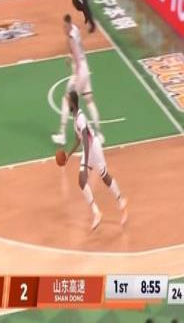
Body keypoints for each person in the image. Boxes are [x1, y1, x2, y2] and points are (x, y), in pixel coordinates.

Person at [64, 90, 128, 230]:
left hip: (94, 147)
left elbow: (86, 139)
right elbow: (78, 140)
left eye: (67, 100)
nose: (66, 102)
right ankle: (96, 212)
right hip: (88, 149)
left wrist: (86, 160)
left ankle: (121, 201)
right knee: (81, 181)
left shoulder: (80, 118)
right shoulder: (75, 119)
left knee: (105, 177)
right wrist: (69, 155)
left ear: (72, 102)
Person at [52, 14, 104, 147]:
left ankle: (63, 134)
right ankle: (99, 134)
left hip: (79, 71)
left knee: (67, 100)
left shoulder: (70, 38)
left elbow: (76, 57)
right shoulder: (75, 29)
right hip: (86, 68)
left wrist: (75, 77)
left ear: (69, 25)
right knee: (89, 100)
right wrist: (70, 56)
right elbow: (79, 49)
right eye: (63, 26)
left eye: (65, 26)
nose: (64, 28)